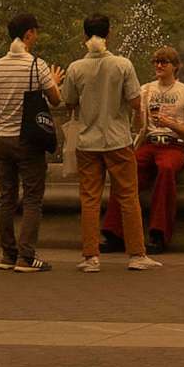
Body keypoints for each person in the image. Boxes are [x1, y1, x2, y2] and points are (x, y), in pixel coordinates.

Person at [61, 15, 154, 272]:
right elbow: (135, 102)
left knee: (89, 199)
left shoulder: (75, 68)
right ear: (109, 34)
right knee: (127, 196)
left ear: (84, 36)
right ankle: (136, 254)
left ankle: (91, 256)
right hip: (117, 140)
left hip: (87, 143)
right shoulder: (122, 65)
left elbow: (68, 101)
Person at [0, 13, 61, 272]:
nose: (36, 36)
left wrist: (8, 103)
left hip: (2, 139)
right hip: (27, 140)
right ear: (28, 35)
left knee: (6, 197)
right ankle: (27, 257)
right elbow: (56, 99)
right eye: (35, 32)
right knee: (32, 198)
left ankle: (8, 254)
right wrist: (55, 82)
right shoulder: (37, 66)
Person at [112, 48, 184, 254]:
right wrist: (138, 115)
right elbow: (137, 127)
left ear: (176, 66)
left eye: (164, 62)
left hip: (173, 145)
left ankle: (159, 233)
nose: (159, 66)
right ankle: (114, 232)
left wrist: (170, 123)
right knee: (125, 172)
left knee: (166, 169)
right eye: (156, 62)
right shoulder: (145, 90)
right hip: (149, 143)